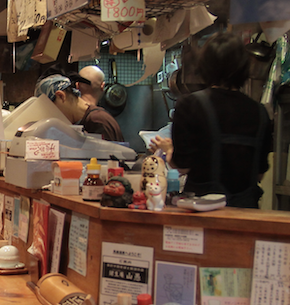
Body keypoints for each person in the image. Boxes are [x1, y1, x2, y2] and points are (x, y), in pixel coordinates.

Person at [150, 32, 273, 208]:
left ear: (206, 65)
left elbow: (182, 167)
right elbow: (259, 174)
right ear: (244, 68)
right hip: (246, 214)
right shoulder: (260, 112)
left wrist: (168, 149)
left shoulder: (190, 105)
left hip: (203, 215)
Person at [35, 69, 125, 142]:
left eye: (50, 109)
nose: (52, 116)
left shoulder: (97, 120)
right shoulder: (84, 120)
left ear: (61, 96)